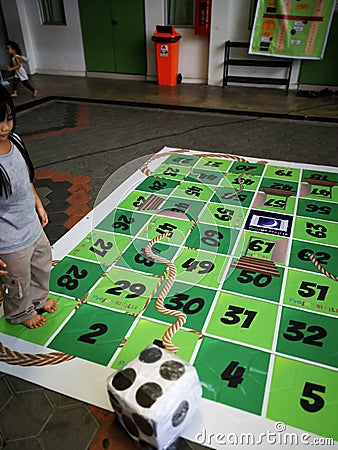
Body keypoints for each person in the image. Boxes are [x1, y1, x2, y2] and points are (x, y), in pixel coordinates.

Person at [0, 84, 56, 328]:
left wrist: (39, 203)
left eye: (9, 118)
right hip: (9, 239)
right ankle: (20, 313)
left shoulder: (15, 140)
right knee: (17, 281)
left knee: (43, 263)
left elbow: (26, 178)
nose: (5, 127)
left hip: (31, 225)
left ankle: (38, 299)